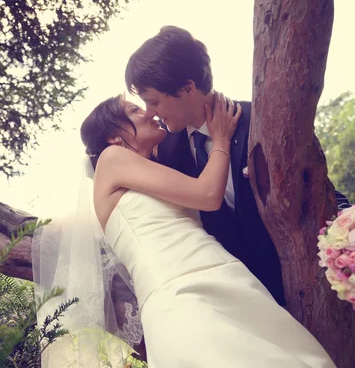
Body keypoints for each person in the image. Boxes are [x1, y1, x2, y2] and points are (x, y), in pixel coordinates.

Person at [77, 92, 336, 367]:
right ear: (113, 136)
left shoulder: (155, 168)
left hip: (229, 276)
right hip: (180, 293)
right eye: (133, 110)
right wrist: (221, 139)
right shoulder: (112, 159)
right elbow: (208, 194)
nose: (148, 113)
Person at [124, 25, 351, 306]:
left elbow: (319, 188)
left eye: (154, 101)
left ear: (187, 88)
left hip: (300, 286)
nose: (150, 113)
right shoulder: (165, 150)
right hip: (230, 299)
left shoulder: (264, 121)